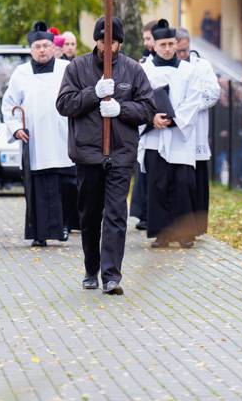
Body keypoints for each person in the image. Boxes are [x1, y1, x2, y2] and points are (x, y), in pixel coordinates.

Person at [56, 17, 155, 295]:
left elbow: (147, 108)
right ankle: (91, 269)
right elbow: (64, 104)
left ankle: (112, 276)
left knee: (116, 215)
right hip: (88, 154)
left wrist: (121, 108)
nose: (108, 46)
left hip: (121, 154)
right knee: (89, 216)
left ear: (120, 42)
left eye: (113, 41)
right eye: (103, 40)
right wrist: (92, 94)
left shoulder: (134, 70)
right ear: (96, 40)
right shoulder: (77, 68)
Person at [3, 22, 77, 247]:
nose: (42, 50)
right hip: (34, 139)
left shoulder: (67, 68)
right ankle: (39, 233)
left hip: (62, 137)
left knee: (65, 185)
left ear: (54, 47)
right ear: (31, 49)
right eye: (37, 46)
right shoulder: (21, 73)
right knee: (38, 188)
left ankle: (64, 226)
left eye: (46, 45)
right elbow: (9, 104)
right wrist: (16, 128)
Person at [139, 19, 202, 248]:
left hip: (180, 137)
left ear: (176, 44)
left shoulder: (189, 70)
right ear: (153, 45)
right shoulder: (144, 70)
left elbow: (194, 100)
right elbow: (139, 99)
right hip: (154, 136)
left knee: (183, 183)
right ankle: (162, 233)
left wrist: (174, 120)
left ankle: (185, 233)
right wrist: (150, 118)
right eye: (162, 44)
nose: (167, 48)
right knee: (158, 184)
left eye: (171, 44)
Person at [175, 27, 221, 238]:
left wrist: (191, 105)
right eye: (178, 51)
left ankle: (199, 225)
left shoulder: (202, 66)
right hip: (176, 133)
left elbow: (213, 93)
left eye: (185, 50)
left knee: (199, 182)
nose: (182, 55)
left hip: (197, 130)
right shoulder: (171, 67)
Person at [129, 20, 160, 231]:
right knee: (143, 169)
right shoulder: (143, 61)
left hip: (160, 122)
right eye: (145, 38)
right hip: (146, 125)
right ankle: (142, 212)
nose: (145, 42)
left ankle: (149, 214)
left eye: (148, 38)